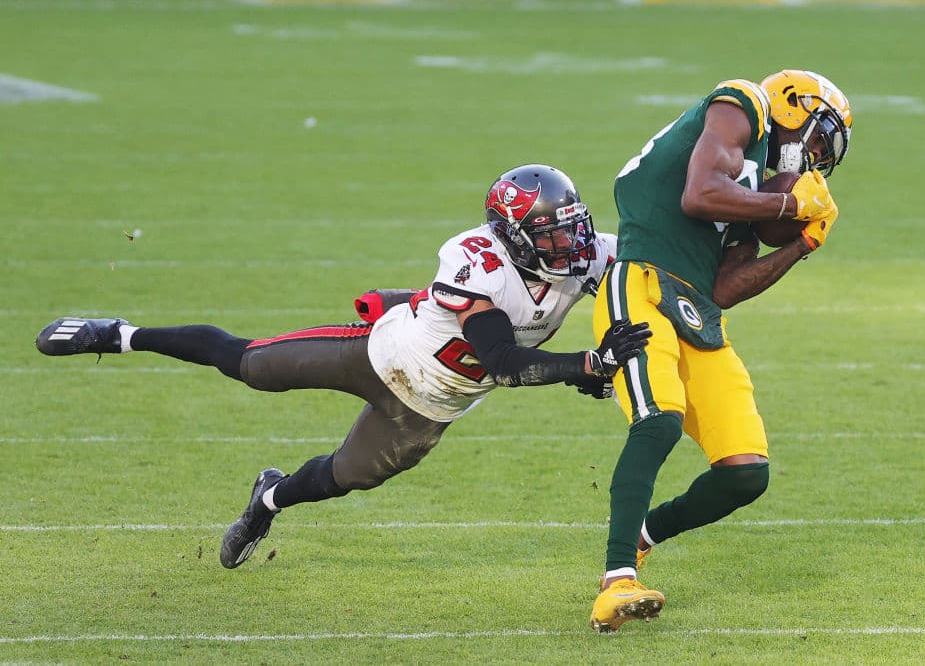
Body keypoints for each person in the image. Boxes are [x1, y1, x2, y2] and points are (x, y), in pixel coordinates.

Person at [36, 163, 651, 570]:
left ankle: (266, 502)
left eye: (570, 228)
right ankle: (118, 334)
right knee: (252, 364)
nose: (566, 245)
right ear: (512, 237)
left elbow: (656, 269)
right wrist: (585, 365)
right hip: (381, 353)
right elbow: (503, 361)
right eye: (548, 233)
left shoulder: (585, 258)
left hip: (430, 405)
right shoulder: (476, 261)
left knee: (348, 476)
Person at [588, 70, 854, 632]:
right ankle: (616, 582)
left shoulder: (751, 181)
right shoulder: (745, 104)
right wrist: (786, 208)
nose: (814, 157)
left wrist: (806, 241)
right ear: (794, 106)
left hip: (694, 307)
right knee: (658, 420)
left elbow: (727, 286)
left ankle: (641, 536)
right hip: (640, 281)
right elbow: (699, 193)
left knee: (744, 474)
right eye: (818, 137)